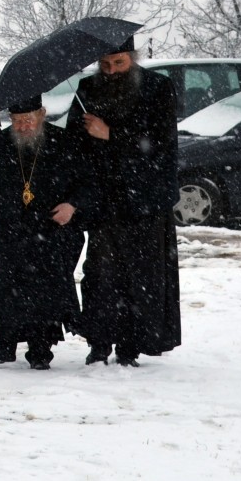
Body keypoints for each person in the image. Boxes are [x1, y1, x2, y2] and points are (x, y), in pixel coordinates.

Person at [63, 37, 181, 367]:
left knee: (141, 277)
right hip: (104, 198)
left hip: (145, 199)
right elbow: (74, 145)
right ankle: (99, 342)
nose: (112, 70)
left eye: (119, 63)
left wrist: (111, 134)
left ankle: (131, 345)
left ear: (132, 58)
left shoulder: (157, 88)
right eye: (105, 65)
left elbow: (161, 143)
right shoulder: (87, 89)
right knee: (100, 275)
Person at [0, 95, 96, 370]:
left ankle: (40, 351)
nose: (23, 127)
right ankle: (3, 346)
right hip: (10, 230)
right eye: (17, 121)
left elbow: (88, 181)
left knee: (45, 293)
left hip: (49, 231)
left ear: (42, 114)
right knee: (4, 289)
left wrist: (72, 206)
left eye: (28, 120)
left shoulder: (64, 142)